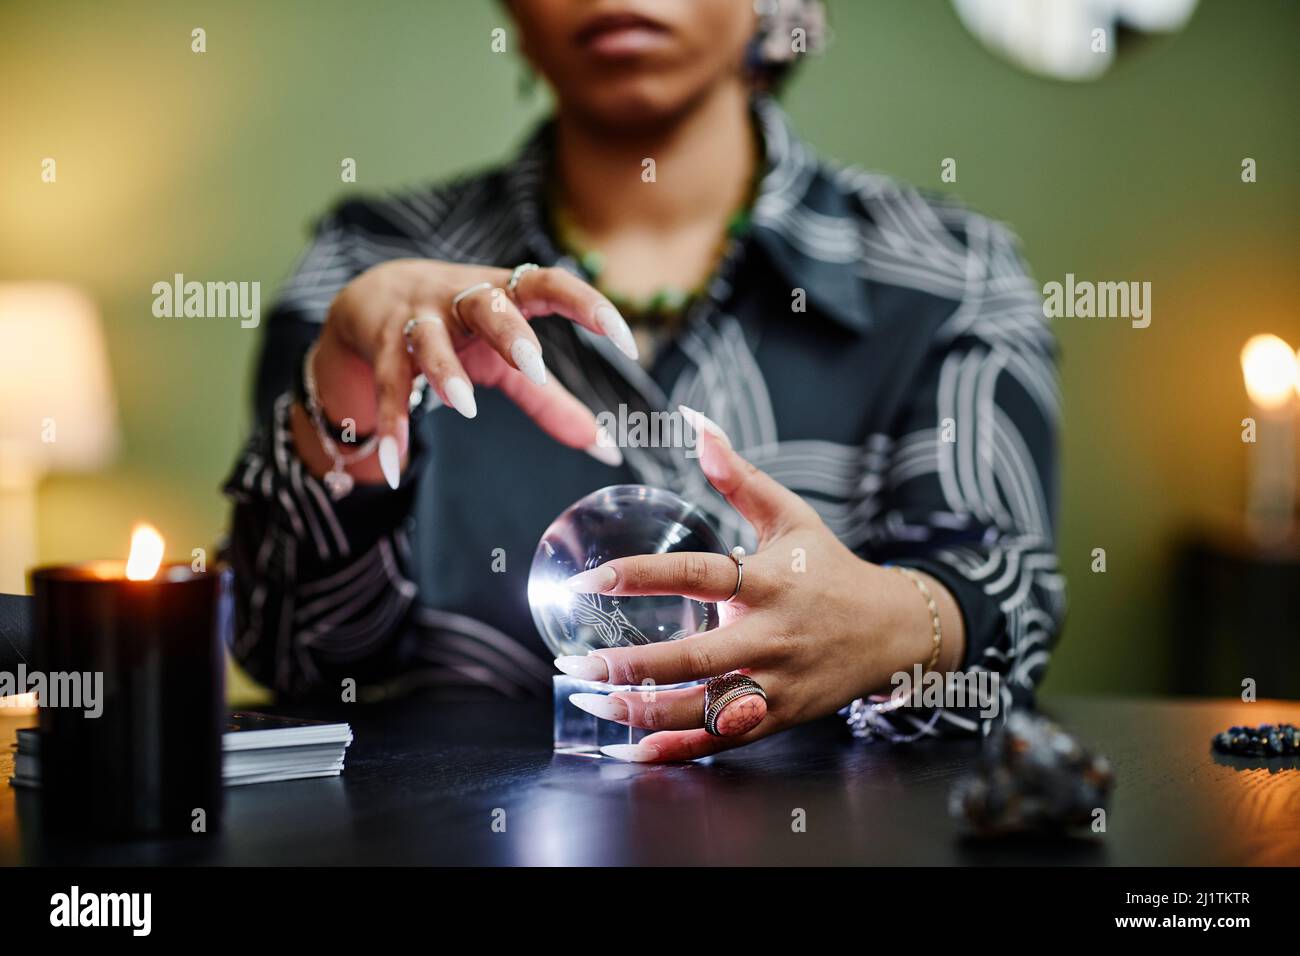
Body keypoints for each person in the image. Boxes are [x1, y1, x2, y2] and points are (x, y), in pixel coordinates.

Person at [223, 0, 1063, 761]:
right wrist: (348, 417)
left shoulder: (952, 275)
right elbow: (293, 656)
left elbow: (1004, 608)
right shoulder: (362, 265)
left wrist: (896, 623)